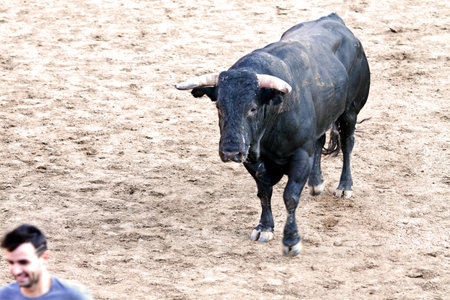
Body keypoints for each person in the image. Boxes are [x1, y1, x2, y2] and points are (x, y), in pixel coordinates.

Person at [0, 224, 92, 299]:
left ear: (44, 258)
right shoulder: (3, 296)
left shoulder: (75, 296)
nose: (16, 271)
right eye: (11, 262)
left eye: (24, 262)